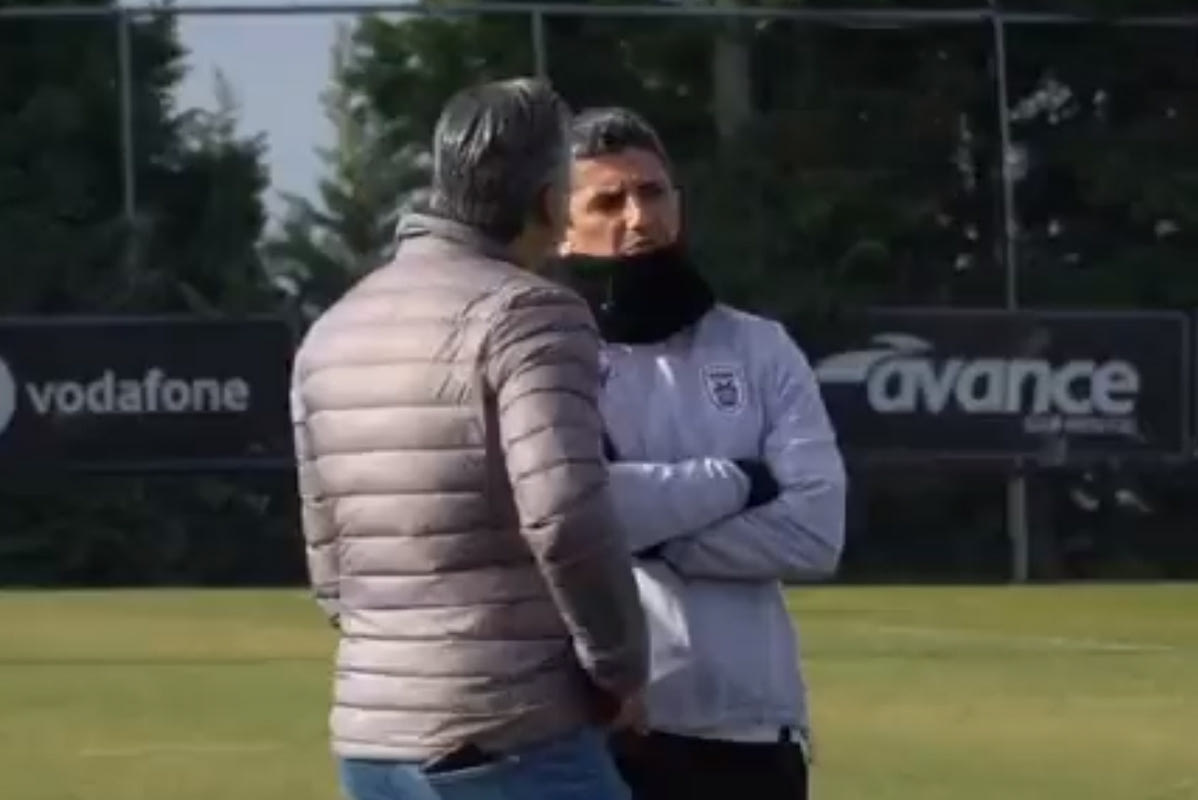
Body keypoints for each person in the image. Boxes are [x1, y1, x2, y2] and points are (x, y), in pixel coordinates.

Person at [290, 80, 649, 800]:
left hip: (372, 740)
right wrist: (621, 669)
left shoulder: (332, 330)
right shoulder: (533, 314)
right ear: (548, 200)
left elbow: (330, 563)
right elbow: (566, 515)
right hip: (510, 731)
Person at [551, 106, 848, 800]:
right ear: (562, 225)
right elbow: (566, 516)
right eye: (609, 201)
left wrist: (649, 535)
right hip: (602, 729)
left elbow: (815, 533)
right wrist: (743, 484)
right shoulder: (546, 356)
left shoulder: (759, 347)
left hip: (753, 730)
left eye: (652, 193)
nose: (639, 217)